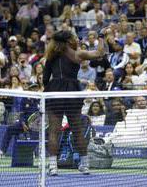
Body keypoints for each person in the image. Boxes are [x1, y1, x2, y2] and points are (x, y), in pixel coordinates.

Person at [43, 30, 105, 176]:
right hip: (72, 92)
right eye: (73, 37)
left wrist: (50, 88)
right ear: (68, 41)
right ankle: (85, 165)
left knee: (53, 131)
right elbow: (99, 53)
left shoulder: (51, 56)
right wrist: (101, 36)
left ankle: (53, 167)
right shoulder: (78, 54)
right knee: (77, 130)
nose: (75, 39)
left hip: (55, 92)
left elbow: (45, 78)